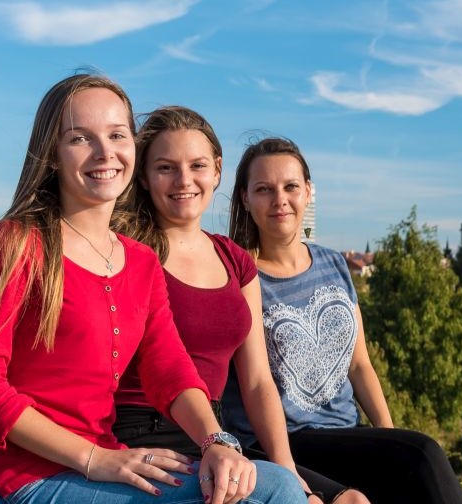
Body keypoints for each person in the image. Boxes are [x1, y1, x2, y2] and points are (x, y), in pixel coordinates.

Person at [0, 73, 304, 504]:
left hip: (108, 463)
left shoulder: (140, 261)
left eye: (117, 135)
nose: (105, 152)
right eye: (81, 138)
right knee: (274, 493)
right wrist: (93, 458)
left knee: (266, 482)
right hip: (29, 479)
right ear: (52, 154)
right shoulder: (14, 244)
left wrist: (216, 443)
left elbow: (170, 370)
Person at [108, 106, 364, 504]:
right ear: (143, 176)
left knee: (349, 500)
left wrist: (291, 472)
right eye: (165, 168)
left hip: (215, 436)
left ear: (217, 170)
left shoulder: (234, 260)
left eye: (197, 165)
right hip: (144, 433)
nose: (184, 181)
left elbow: (258, 381)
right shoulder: (129, 253)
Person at [219, 137, 462, 503]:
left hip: (346, 435)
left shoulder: (334, 264)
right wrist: (405, 452)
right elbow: (253, 381)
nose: (279, 199)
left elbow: (360, 366)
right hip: (286, 441)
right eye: (264, 189)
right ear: (245, 198)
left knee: (416, 460)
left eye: (291, 187)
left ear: (309, 192)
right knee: (423, 453)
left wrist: (390, 438)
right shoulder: (241, 277)